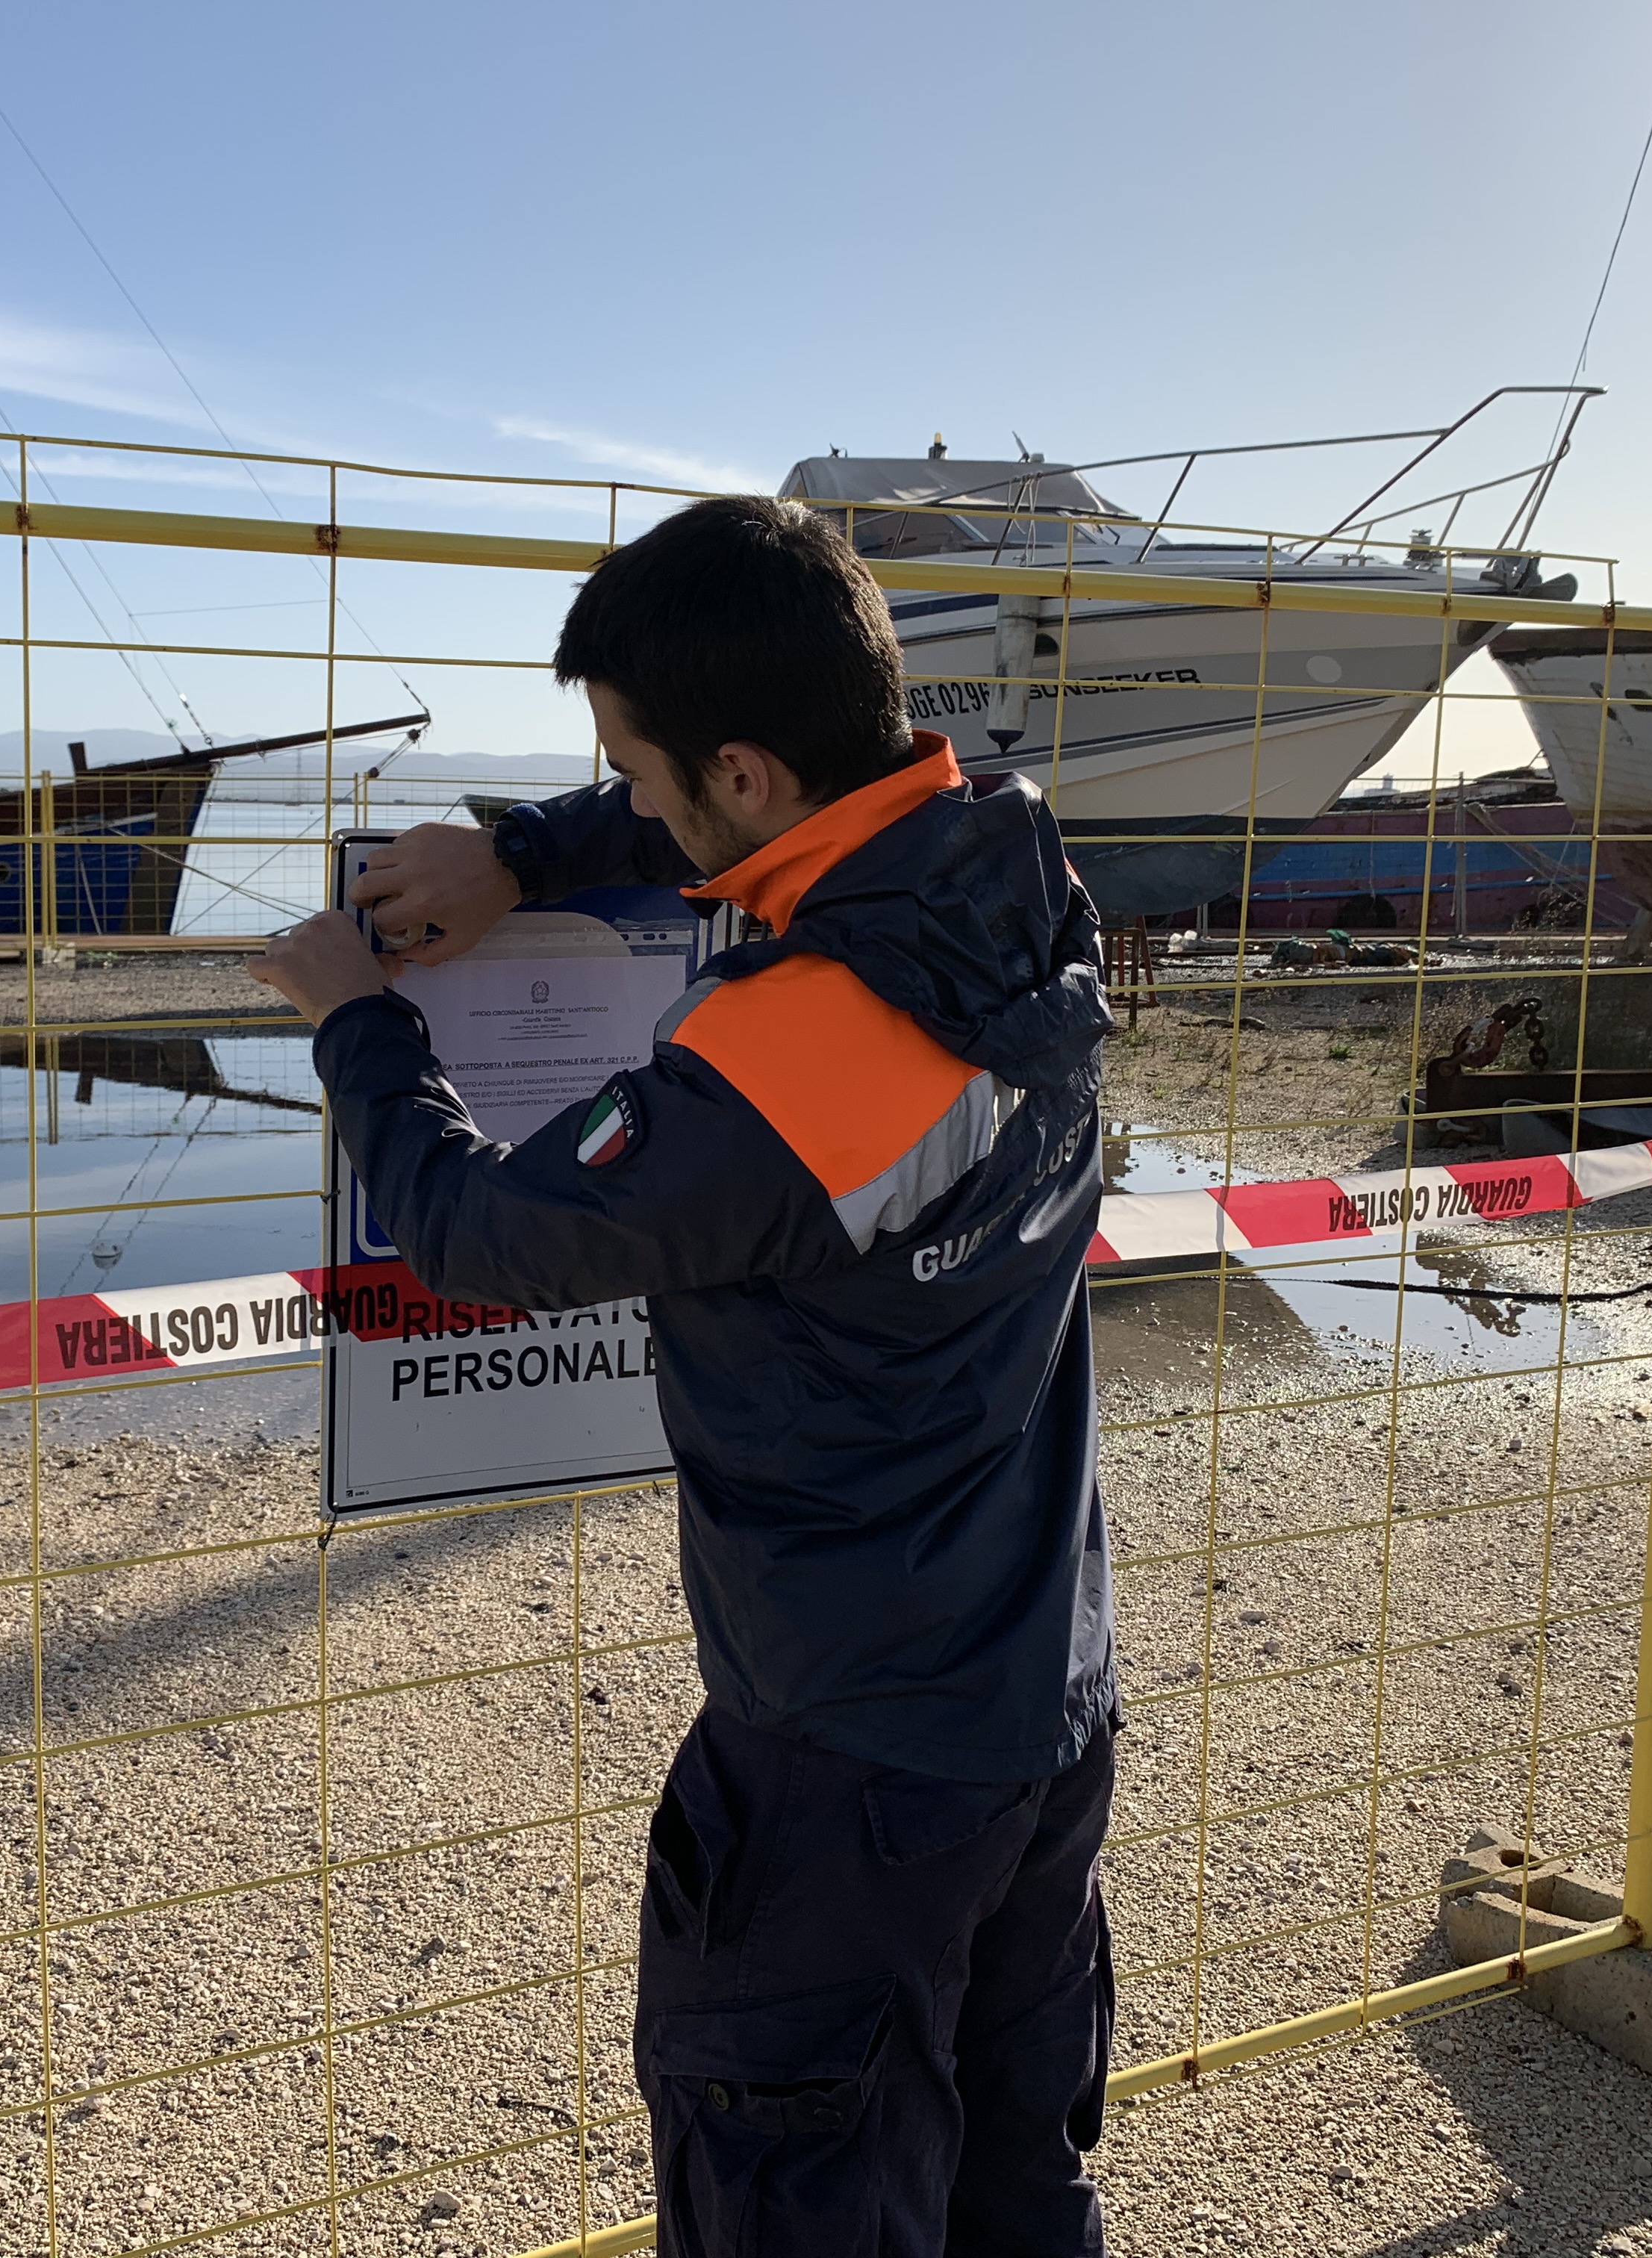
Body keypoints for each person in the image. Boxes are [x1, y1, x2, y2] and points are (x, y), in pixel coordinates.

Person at [249, 495, 1118, 2257]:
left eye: (637, 776)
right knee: (1010, 2181)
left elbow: (484, 1235)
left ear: (740, 769)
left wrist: (360, 1024)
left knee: (794, 2190)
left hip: (850, 1745)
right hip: (1046, 1689)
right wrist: (528, 853)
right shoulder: (1007, 877)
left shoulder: (801, 1053)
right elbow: (744, 820)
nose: (632, 809)